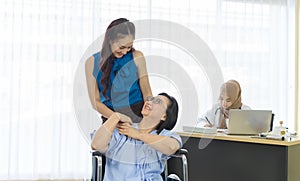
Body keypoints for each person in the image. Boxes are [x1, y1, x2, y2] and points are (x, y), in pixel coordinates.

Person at [91, 93, 182, 181]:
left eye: (158, 101)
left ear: (164, 116)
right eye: (151, 99)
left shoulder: (163, 135)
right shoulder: (123, 128)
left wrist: (138, 135)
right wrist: (115, 117)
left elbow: (172, 147)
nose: (149, 101)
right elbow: (96, 145)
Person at [85, 18, 152, 123]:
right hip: (111, 116)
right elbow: (95, 102)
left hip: (138, 114)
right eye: (122, 47)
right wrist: (117, 118)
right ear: (110, 40)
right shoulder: (91, 62)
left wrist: (149, 119)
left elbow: (147, 92)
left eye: (129, 47)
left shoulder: (137, 57)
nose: (125, 52)